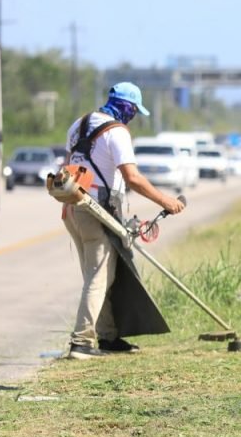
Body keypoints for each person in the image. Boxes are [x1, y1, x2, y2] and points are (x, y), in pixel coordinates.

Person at [63, 82, 185, 360]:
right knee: (99, 275)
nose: (133, 117)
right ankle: (81, 342)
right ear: (127, 107)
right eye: (133, 111)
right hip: (96, 210)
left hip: (74, 207)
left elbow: (67, 167)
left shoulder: (79, 125)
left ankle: (107, 336)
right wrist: (165, 201)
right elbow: (133, 178)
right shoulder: (116, 132)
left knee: (97, 273)